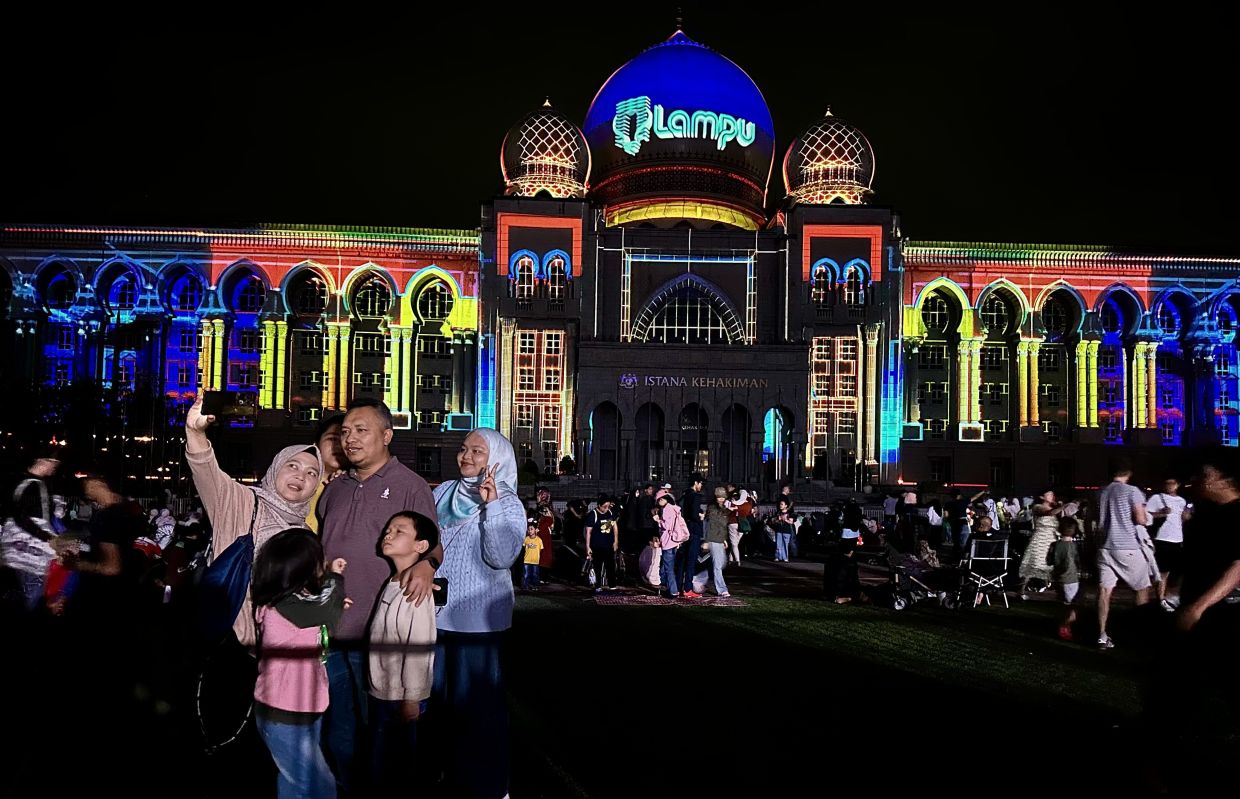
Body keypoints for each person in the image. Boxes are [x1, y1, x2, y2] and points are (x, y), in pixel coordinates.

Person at [316, 398, 438, 797]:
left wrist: (426, 566)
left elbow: (431, 544)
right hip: (333, 632)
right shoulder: (334, 490)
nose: (349, 439)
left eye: (361, 430)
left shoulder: (410, 485)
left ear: (386, 436)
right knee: (339, 730)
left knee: (386, 734)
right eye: (345, 431)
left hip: (382, 637)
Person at [430, 427, 526, 798]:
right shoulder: (442, 493)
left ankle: (490, 787)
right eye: (464, 448)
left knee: (479, 713)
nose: (467, 456)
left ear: (497, 460)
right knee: (439, 710)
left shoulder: (508, 502)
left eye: (478, 452)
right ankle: (451, 778)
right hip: (435, 620)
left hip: (478, 626)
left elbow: (501, 557)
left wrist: (493, 504)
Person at [185, 393, 324, 647]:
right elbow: (206, 471)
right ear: (275, 468)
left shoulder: (305, 534)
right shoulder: (242, 502)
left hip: (279, 651)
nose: (301, 476)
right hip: (231, 640)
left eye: (312, 473)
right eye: (292, 466)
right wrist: (195, 434)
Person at [251, 528, 346, 799]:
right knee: (319, 785)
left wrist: (333, 600)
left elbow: (323, 613)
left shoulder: (295, 601)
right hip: (285, 712)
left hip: (302, 706)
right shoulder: (283, 604)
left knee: (295, 781)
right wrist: (335, 578)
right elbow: (327, 611)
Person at [369, 511, 438, 792]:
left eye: (399, 531)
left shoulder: (415, 592)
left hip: (400, 700)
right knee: (383, 765)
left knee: (396, 771)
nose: (388, 533)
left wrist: (412, 699)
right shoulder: (394, 581)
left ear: (420, 546)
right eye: (388, 528)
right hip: (382, 693)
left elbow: (419, 648)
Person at [1094, 461, 1156, 650]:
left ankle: (1102, 635)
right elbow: (1140, 518)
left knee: (1105, 591)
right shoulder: (1132, 491)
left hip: (1105, 546)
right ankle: (1140, 631)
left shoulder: (1101, 492)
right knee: (1142, 588)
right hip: (1127, 544)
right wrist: (1147, 517)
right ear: (1128, 472)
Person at [1, 451, 62, 610]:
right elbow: (19, 515)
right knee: (31, 596)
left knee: (21, 594)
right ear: (41, 460)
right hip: (29, 553)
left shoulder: (27, 482)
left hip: (18, 551)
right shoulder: (31, 483)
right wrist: (48, 537)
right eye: (54, 462)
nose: (56, 466)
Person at [1147, 478, 1189, 611]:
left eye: (1172, 483)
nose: (1169, 486)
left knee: (1175, 572)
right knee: (1162, 572)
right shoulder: (1156, 498)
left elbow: (1182, 518)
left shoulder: (1182, 501)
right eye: (1167, 483)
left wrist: (1186, 517)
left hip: (1178, 539)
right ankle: (1160, 599)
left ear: (1178, 485)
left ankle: (1169, 597)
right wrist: (1161, 513)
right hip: (1162, 539)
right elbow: (1146, 515)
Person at [1019, 489, 1062, 598]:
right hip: (1040, 539)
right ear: (1042, 497)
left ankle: (1057, 591)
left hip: (1051, 539)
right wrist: (1063, 507)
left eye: (1053, 494)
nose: (1052, 496)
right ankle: (1022, 590)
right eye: (1049, 494)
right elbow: (1048, 513)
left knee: (1051, 564)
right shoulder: (1037, 507)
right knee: (1033, 563)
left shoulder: (1055, 509)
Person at [306, 414, 346, 533]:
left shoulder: (357, 488)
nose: (339, 446)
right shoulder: (297, 482)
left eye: (345, 440)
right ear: (316, 445)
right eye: (332, 439)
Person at [691, 488, 730, 597]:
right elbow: (710, 525)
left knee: (721, 564)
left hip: (719, 539)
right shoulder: (713, 508)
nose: (721, 499)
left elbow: (722, 527)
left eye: (723, 497)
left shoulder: (723, 509)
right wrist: (707, 540)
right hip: (713, 539)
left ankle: (698, 578)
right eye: (719, 497)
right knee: (718, 566)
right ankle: (722, 589)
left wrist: (724, 539)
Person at [1049, 517, 1081, 641]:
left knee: (1063, 604)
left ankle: (1064, 625)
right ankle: (1064, 627)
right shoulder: (1072, 546)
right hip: (1071, 579)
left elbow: (1049, 560)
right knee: (1073, 606)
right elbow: (1074, 561)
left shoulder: (1054, 545)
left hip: (1057, 579)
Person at [654, 489, 688, 598]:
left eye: (659, 500)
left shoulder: (666, 510)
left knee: (668, 568)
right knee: (667, 566)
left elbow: (666, 526)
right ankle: (668, 587)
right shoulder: (675, 509)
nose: (658, 502)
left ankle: (673, 590)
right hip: (675, 541)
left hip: (668, 541)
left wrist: (658, 520)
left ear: (663, 499)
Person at [677, 474, 705, 597]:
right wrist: (700, 517)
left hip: (684, 530)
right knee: (691, 560)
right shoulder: (695, 496)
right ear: (696, 483)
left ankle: (677, 586)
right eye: (700, 483)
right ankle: (687, 588)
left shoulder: (685, 495)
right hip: (693, 530)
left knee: (682, 559)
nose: (701, 486)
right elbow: (694, 514)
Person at [585, 496, 620, 591]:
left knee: (611, 565)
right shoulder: (593, 515)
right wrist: (588, 547)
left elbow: (614, 527)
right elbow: (588, 532)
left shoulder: (610, 512)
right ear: (599, 505)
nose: (606, 508)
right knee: (597, 566)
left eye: (608, 506)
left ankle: (612, 585)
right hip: (597, 545)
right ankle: (598, 585)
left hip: (608, 544)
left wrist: (616, 541)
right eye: (604, 506)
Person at [767, 498, 797, 563]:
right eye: (780, 504)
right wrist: (778, 519)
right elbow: (774, 521)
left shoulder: (790, 513)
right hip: (779, 530)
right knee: (778, 544)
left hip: (786, 531)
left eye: (782, 504)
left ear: (786, 505)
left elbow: (791, 522)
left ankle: (785, 558)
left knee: (785, 545)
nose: (780, 505)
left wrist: (785, 519)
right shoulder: (778, 513)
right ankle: (777, 557)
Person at [521, 520, 543, 590]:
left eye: (531, 529)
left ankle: (535, 586)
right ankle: (525, 586)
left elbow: (541, 549)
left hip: (535, 561)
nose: (530, 531)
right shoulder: (526, 539)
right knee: (526, 574)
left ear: (535, 530)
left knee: (535, 575)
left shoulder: (539, 540)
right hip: (527, 561)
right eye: (528, 529)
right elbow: (524, 548)